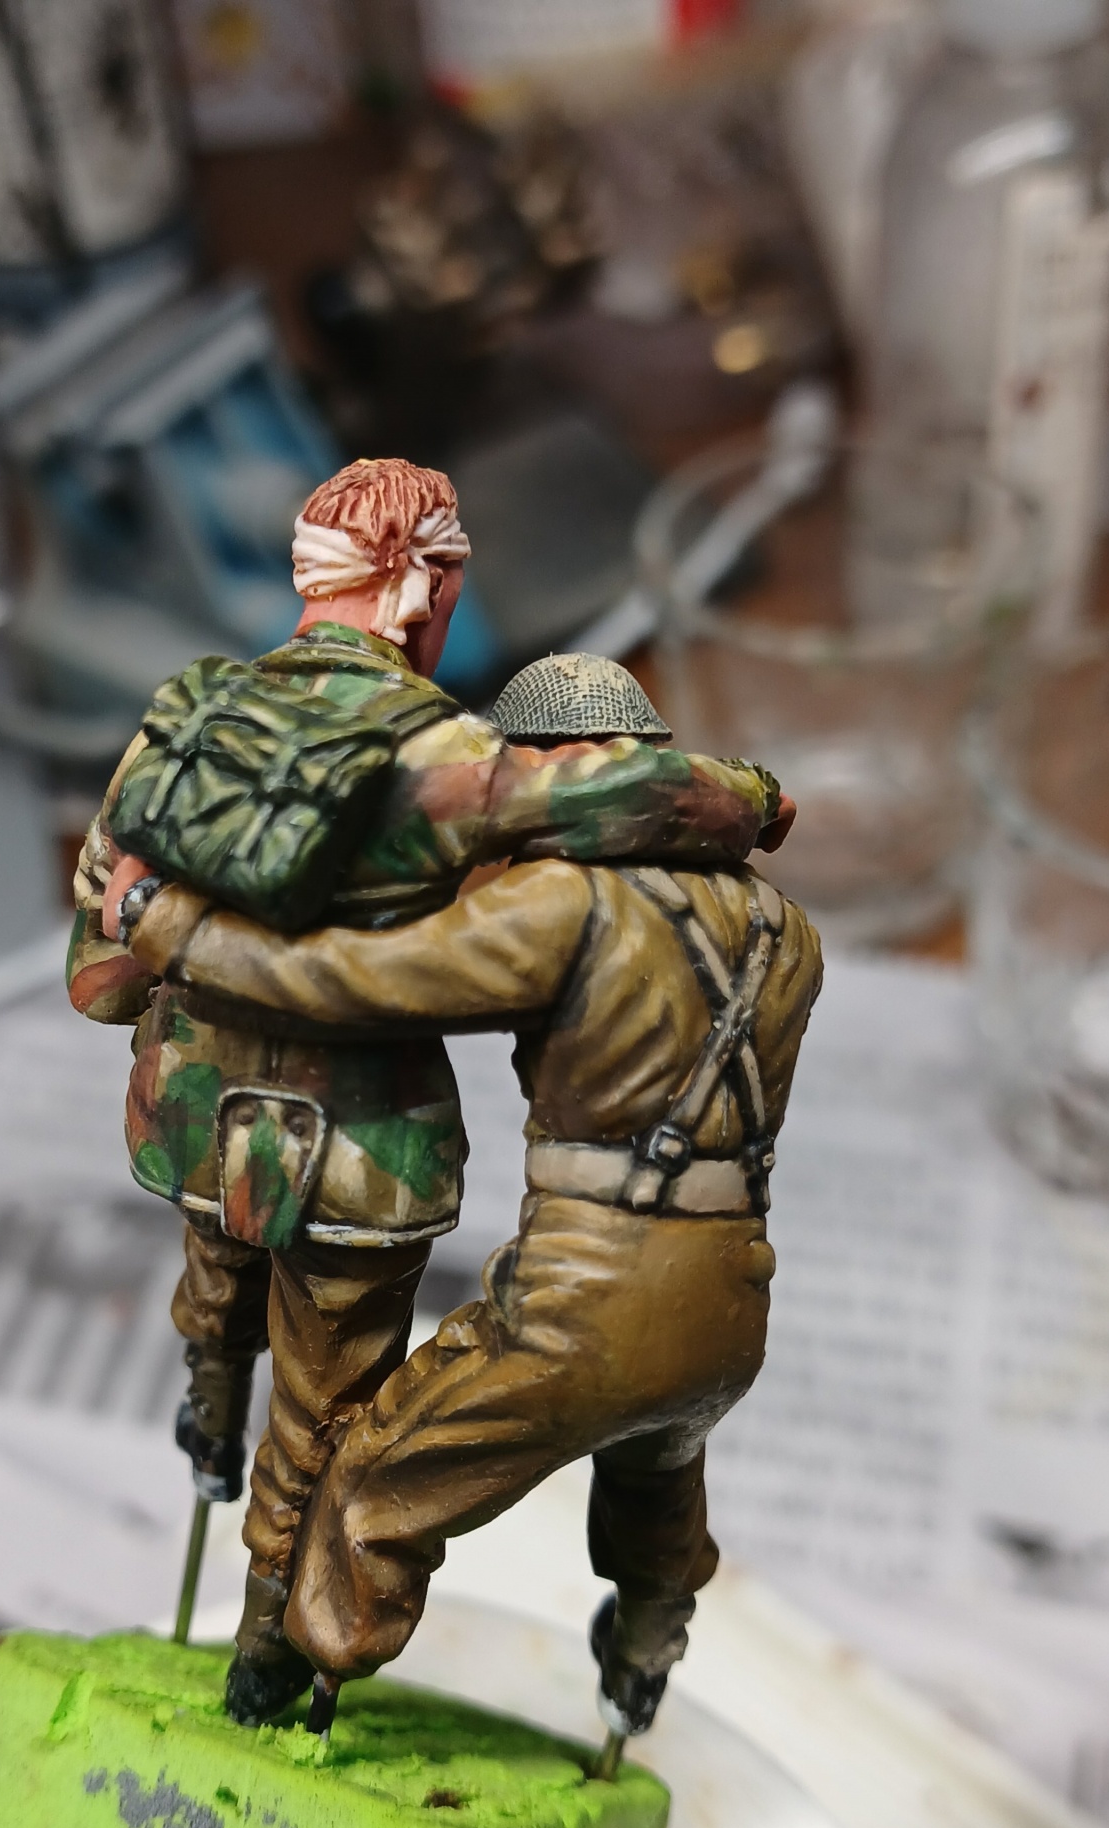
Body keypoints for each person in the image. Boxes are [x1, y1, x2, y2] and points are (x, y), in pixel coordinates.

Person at [70, 458, 791, 1722]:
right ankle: (265, 1655)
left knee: (219, 1291)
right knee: (330, 1415)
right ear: (425, 585)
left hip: (188, 1119)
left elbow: (100, 981)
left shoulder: (182, 725)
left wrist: (165, 960)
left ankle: (204, 1415)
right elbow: (632, 797)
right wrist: (754, 797)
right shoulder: (448, 758)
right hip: (354, 1150)